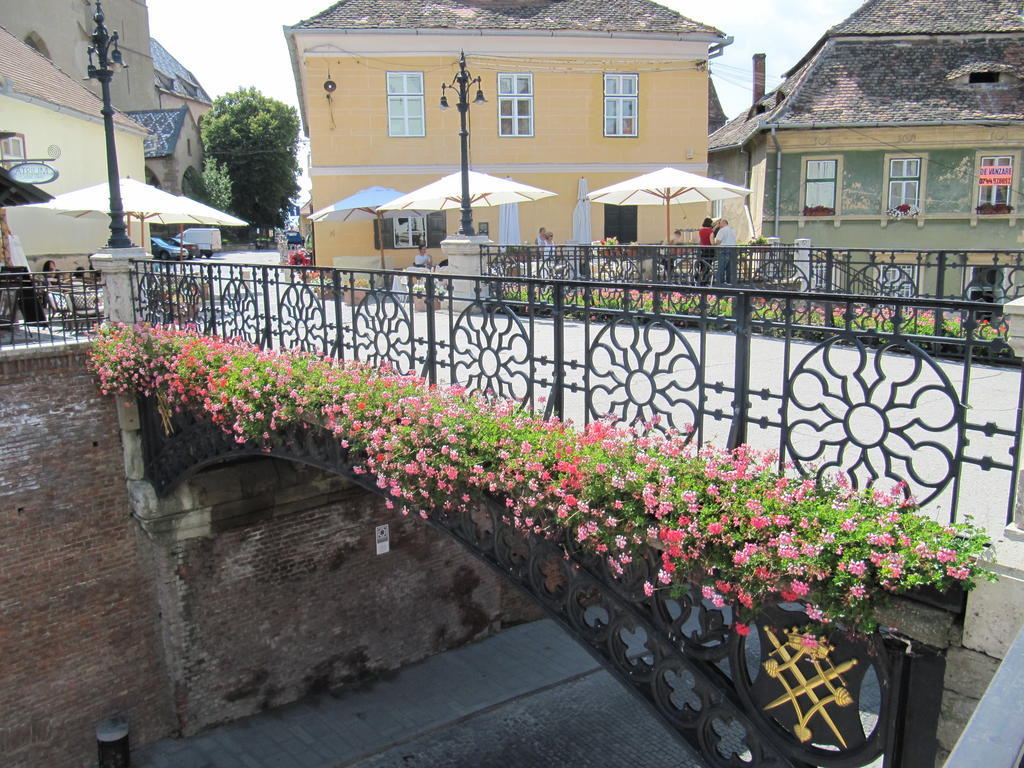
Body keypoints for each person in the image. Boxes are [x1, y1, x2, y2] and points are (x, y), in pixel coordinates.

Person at [714, 218, 737, 285]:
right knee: (729, 267)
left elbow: (718, 241)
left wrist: (715, 242)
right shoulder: (732, 230)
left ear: (724, 223)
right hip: (733, 249)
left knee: (721, 267)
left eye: (720, 223)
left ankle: (720, 283)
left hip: (724, 249)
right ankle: (729, 282)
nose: (719, 224)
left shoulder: (722, 230)